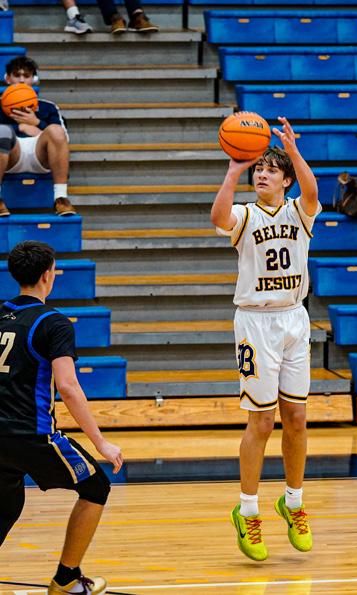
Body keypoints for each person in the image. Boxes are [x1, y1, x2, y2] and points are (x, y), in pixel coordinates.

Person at [211, 117, 319, 562]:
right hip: (255, 324)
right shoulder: (245, 214)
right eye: (259, 169)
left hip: (294, 318)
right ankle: (248, 511)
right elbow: (218, 218)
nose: (262, 174)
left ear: (285, 179)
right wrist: (233, 170)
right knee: (261, 422)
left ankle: (293, 503)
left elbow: (312, 192)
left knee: (297, 417)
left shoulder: (298, 211)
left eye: (270, 170)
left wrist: (292, 151)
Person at [0, 241, 123, 595]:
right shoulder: (53, 323)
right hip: (33, 435)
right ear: (47, 275)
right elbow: (68, 386)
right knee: (96, 487)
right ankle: (66, 579)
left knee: (8, 503)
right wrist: (101, 442)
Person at [0, 56, 76, 217]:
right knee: (3, 131)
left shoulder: (48, 107)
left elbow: (64, 140)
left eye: (26, 76)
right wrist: (20, 127)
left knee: (55, 130)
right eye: (17, 75)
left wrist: (37, 123)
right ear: (7, 78)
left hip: (40, 155)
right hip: (11, 155)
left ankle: (61, 198)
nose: (21, 80)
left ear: (34, 79)